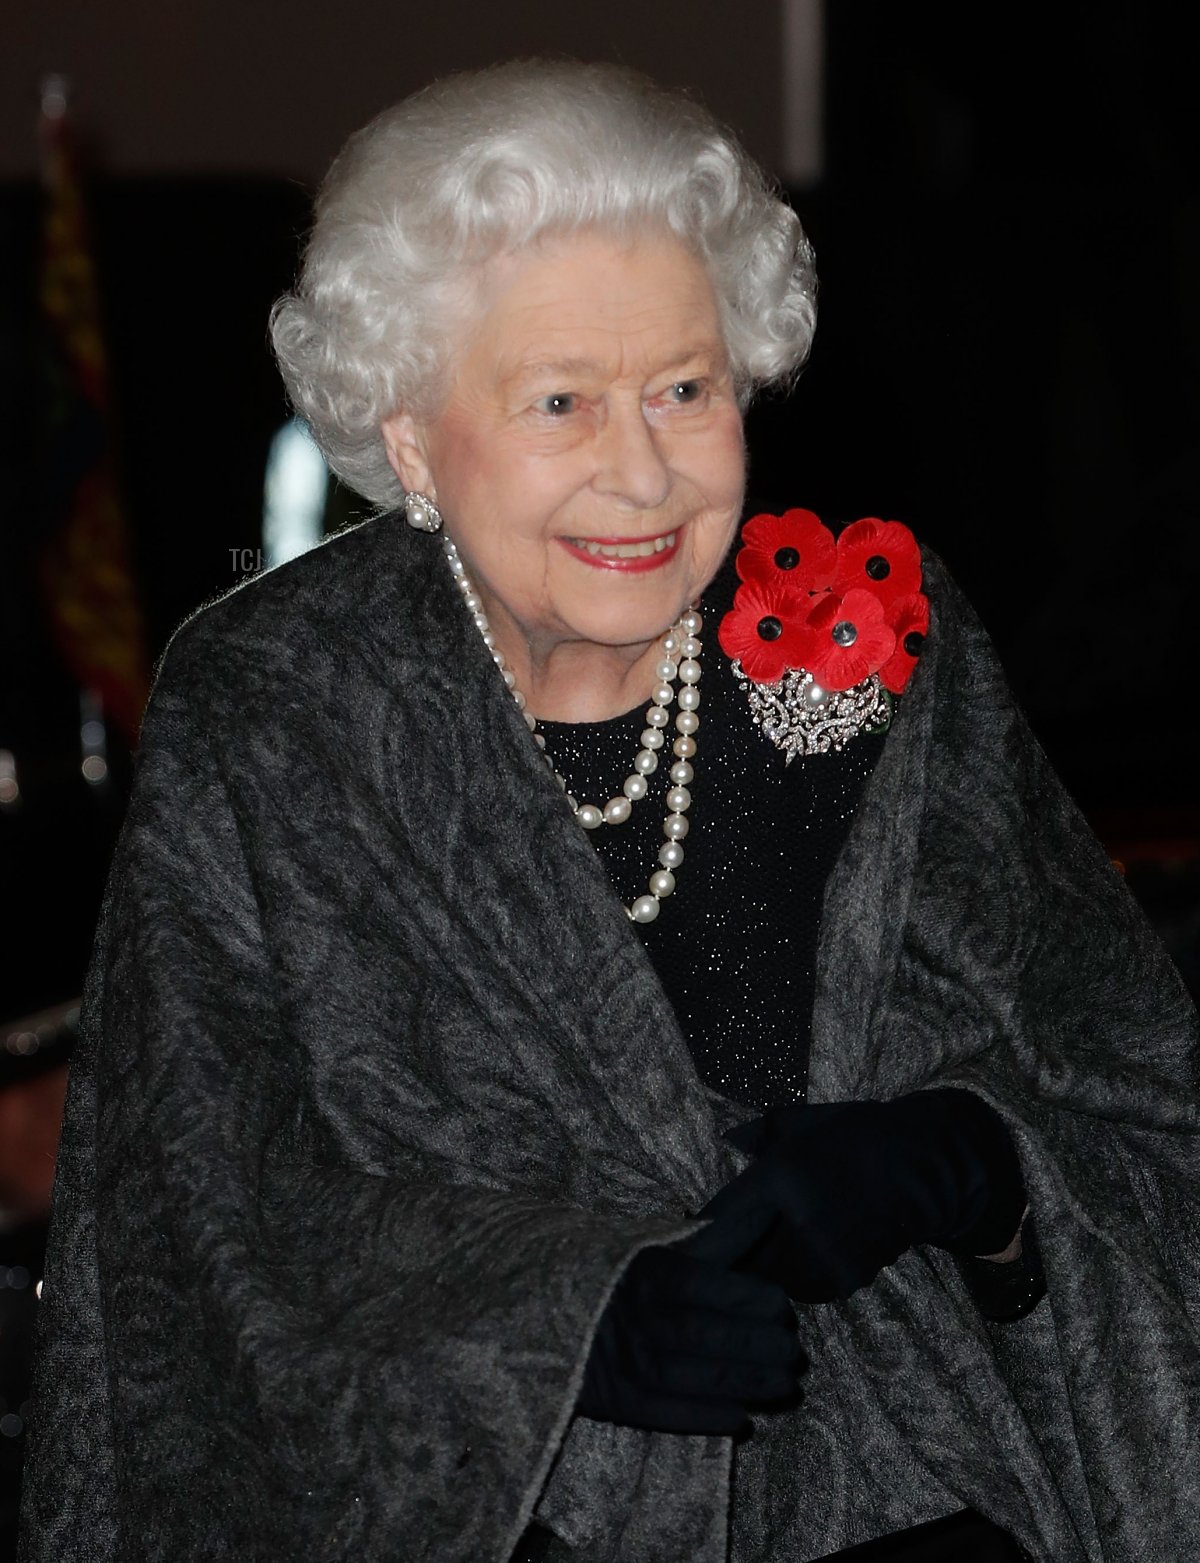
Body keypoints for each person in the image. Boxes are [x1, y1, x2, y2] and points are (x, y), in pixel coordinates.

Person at [18, 60, 1199, 1563]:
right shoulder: (282, 707)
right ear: (409, 434)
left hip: (916, 1481)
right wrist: (563, 1323)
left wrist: (971, 1164)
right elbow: (204, 1232)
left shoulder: (875, 633)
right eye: (561, 401)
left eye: (687, 390)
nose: (642, 474)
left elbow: (1134, 1090)